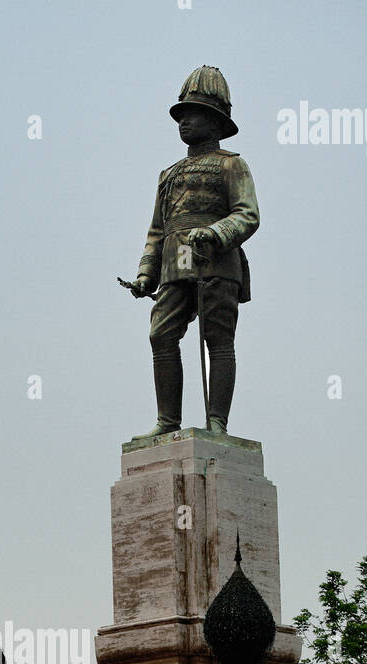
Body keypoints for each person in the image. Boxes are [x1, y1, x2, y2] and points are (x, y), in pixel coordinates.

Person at [128, 66, 259, 439]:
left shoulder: (232, 165)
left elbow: (248, 214)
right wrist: (145, 275)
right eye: (181, 115)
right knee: (161, 334)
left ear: (215, 123)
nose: (184, 122)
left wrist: (216, 233)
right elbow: (157, 230)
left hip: (217, 263)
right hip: (175, 265)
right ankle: (168, 420)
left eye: (193, 114)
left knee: (217, 339)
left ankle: (217, 421)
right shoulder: (167, 175)